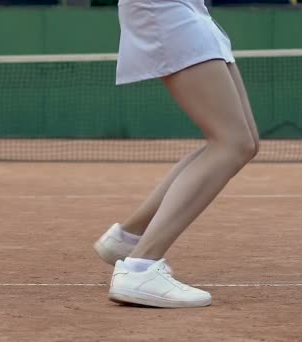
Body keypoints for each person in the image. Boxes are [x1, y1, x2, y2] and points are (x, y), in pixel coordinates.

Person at [93, 0, 259, 308]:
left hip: (190, 9)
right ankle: (140, 267)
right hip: (164, 7)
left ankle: (128, 239)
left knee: (243, 142)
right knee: (231, 143)